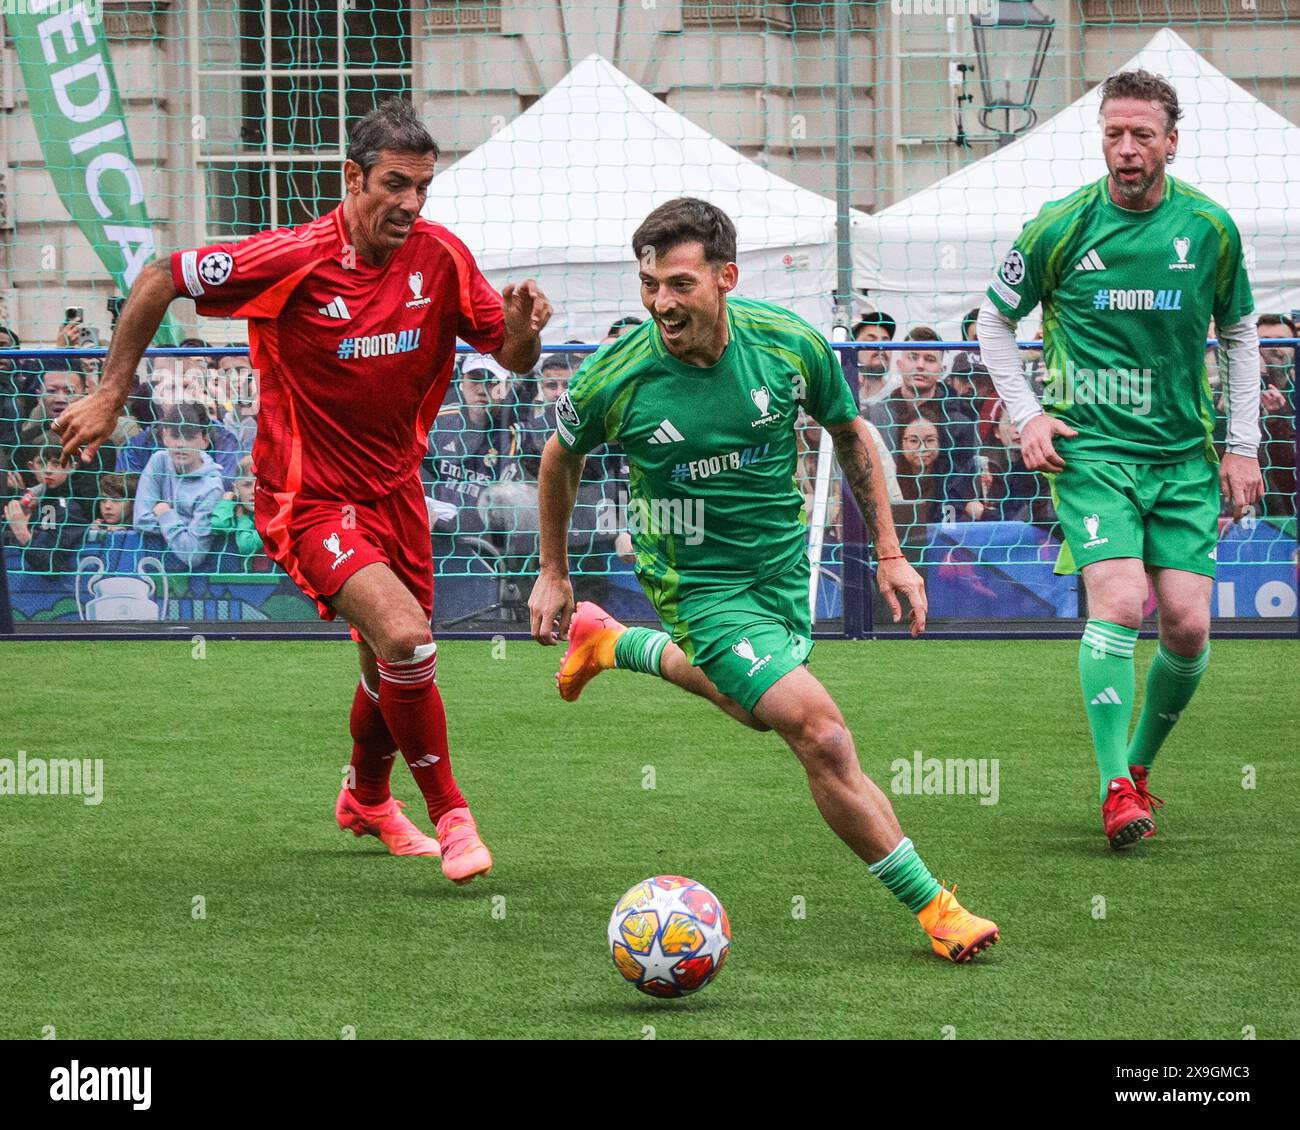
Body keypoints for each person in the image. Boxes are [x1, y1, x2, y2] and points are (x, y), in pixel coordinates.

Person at [54, 98, 551, 884]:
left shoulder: (441, 258)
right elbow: (160, 277)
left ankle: (366, 800)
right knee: (407, 638)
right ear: (352, 178)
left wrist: (524, 329)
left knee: (384, 665)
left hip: (397, 494)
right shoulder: (291, 258)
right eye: (395, 184)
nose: (411, 203)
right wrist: (114, 395)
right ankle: (454, 816)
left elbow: (514, 357)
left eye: (423, 187)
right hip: (305, 498)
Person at [528, 197, 998, 964]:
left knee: (758, 713)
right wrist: (554, 571)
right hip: (698, 581)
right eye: (649, 285)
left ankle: (613, 643)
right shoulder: (615, 376)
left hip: (781, 571)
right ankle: (938, 910)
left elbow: (850, 434)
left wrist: (888, 550)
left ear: (726, 278)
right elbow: (560, 458)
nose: (661, 303)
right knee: (821, 733)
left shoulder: (788, 346)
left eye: (679, 284)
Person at [977, 69, 1263, 849]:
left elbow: (1240, 335)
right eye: (1114, 133)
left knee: (1189, 626)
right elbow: (991, 321)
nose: (1127, 148)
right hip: (1093, 450)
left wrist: (1242, 446)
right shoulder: (1060, 226)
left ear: (1171, 141)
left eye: (1142, 134)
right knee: (1120, 600)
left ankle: (1136, 771)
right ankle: (1111, 788)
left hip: (1183, 458)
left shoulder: (1209, 228)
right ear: (1101, 138)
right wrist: (1028, 412)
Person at [133, 404, 226, 570]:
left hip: (197, 578)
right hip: (153, 567)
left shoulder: (212, 487)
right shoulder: (158, 461)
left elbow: (193, 554)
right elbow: (141, 520)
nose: (181, 444)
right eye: (175, 436)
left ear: (204, 441)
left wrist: (165, 513)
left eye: (189, 437)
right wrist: (187, 527)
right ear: (164, 437)